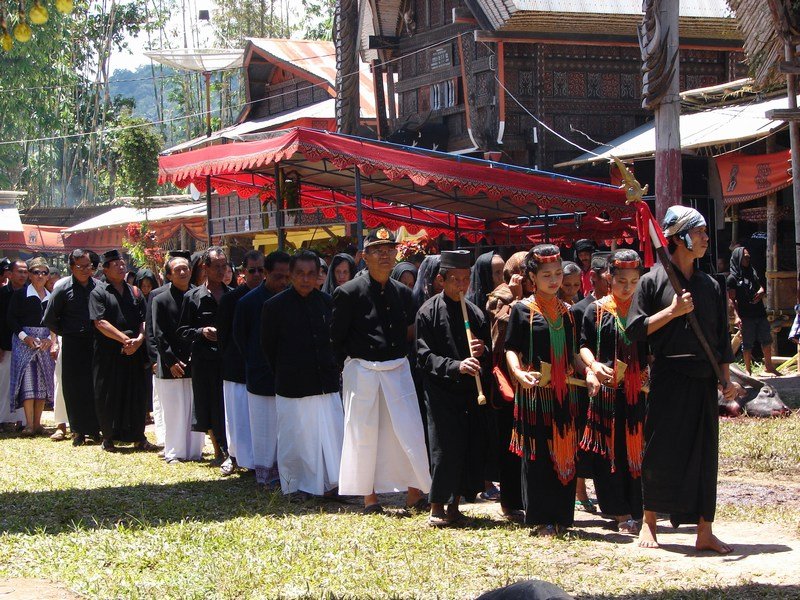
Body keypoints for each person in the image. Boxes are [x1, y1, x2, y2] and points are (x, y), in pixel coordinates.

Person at [626, 205, 736, 554]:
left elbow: (719, 339)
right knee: (660, 449)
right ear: (681, 238)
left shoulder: (710, 285)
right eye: (700, 232)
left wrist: (726, 378)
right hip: (669, 376)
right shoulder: (652, 281)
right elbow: (634, 330)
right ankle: (649, 521)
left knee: (705, 454)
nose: (706, 238)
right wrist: (672, 312)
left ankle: (705, 530)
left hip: (703, 378)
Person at [331, 227, 431, 513]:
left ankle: (414, 492)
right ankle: (369, 497)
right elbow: (336, 339)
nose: (385, 255)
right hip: (362, 369)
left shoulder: (403, 292)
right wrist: (347, 370)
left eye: (389, 249)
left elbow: (409, 331)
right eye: (377, 250)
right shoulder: (347, 292)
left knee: (409, 430)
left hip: (397, 368)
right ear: (364, 256)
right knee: (364, 433)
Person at [505, 245, 579, 536]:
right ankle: (540, 518)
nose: (554, 280)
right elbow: (511, 350)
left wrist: (591, 372)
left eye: (558, 274)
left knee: (565, 451)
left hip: (565, 393)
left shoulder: (569, 313)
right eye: (547, 274)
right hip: (535, 393)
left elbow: (573, 355)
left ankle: (562, 517)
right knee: (536, 456)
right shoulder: (522, 310)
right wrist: (519, 373)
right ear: (532, 278)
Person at [416, 250, 491, 526]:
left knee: (466, 446)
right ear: (441, 280)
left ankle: (456, 506)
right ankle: (436, 506)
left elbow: (488, 353)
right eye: (455, 280)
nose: (461, 286)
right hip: (440, 392)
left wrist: (483, 350)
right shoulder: (428, 312)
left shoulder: (474, 311)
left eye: (465, 279)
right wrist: (456, 366)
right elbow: (424, 357)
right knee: (444, 448)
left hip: (469, 392)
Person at [261, 250, 344, 497]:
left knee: (330, 435)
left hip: (324, 383)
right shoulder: (274, 307)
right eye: (300, 274)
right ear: (290, 275)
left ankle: (334, 483)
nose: (306, 279)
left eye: (311, 274)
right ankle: (295, 485)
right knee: (295, 439)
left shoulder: (328, 303)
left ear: (319, 275)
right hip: (292, 385)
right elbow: (268, 348)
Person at [578, 250, 646, 535]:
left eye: (633, 281)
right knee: (610, 453)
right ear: (608, 279)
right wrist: (593, 366)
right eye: (621, 281)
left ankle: (639, 511)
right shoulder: (596, 311)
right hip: (607, 392)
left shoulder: (644, 311)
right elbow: (583, 346)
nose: (627, 287)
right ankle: (619, 512)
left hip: (637, 392)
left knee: (637, 451)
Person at [233, 251, 290, 486]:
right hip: (260, 375)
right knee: (264, 429)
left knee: (288, 428)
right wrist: (257, 361)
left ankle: (289, 473)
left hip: (289, 376)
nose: (284, 282)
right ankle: (267, 475)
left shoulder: (293, 299)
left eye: (288, 276)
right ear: (266, 274)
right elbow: (240, 339)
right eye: (278, 276)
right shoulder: (248, 302)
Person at [89, 250, 154, 451]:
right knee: (109, 393)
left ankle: (138, 436)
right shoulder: (99, 292)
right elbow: (99, 322)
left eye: (122, 263)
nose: (120, 266)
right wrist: (125, 340)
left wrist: (139, 339)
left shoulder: (134, 291)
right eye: (115, 264)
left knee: (136, 393)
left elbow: (144, 319)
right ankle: (108, 437)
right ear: (105, 269)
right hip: (110, 352)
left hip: (135, 351)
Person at [485, 250, 529, 521]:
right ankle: (511, 501)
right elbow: (500, 335)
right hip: (508, 381)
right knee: (509, 443)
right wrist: (516, 299)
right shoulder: (498, 297)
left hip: (536, 379)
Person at [42, 249, 102, 445]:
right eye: (81, 267)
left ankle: (95, 429)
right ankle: (77, 431)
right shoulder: (62, 288)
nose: (86, 270)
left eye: (89, 266)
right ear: (71, 267)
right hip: (73, 342)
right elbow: (50, 319)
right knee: (74, 387)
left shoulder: (98, 287)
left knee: (94, 385)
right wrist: (67, 331)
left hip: (95, 342)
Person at [178, 246, 232, 463]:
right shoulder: (193, 297)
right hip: (204, 361)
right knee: (208, 404)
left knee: (227, 405)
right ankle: (218, 449)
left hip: (228, 361)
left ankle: (231, 448)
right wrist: (202, 332)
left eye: (224, 266)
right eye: (216, 266)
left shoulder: (232, 296)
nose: (221, 271)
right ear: (205, 268)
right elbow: (182, 331)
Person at [151, 254, 205, 463]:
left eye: (185, 268)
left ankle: (194, 451)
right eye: (177, 270)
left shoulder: (199, 295)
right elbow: (159, 333)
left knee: (194, 407)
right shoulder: (160, 299)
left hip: (195, 360)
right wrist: (170, 360)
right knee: (174, 410)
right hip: (170, 362)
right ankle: (174, 451)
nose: (182, 272)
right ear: (169, 275)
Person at [216, 250, 265, 476]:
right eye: (252, 270)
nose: (256, 274)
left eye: (261, 270)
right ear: (243, 272)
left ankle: (260, 460)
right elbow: (225, 337)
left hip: (263, 370)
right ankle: (235, 456)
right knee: (237, 418)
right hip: (236, 368)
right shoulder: (231, 299)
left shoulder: (272, 296)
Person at [569, 252, 611, 514]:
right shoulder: (579, 309)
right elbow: (575, 349)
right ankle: (580, 490)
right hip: (584, 382)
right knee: (582, 437)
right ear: (594, 278)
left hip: (610, 384)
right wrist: (588, 371)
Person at [8, 257, 57, 436]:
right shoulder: (21, 294)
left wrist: (50, 340)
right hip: (25, 342)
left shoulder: (52, 296)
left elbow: (55, 322)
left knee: (42, 383)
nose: (40, 276)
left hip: (44, 341)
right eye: (36, 272)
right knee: (28, 382)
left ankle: (38, 423)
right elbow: (11, 319)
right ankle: (29, 424)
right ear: (30, 274)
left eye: (44, 272)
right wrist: (25, 337)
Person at [727, 247, 777, 375]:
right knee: (747, 343)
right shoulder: (732, 278)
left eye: (749, 257)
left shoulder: (752, 272)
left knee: (766, 339)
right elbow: (732, 300)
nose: (747, 259)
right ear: (738, 258)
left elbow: (760, 285)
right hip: (745, 315)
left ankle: (769, 366)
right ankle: (748, 370)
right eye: (745, 257)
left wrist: (761, 291)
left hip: (759, 312)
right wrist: (737, 317)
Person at [0, 260, 29, 431]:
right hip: (5, 346)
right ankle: (2, 419)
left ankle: (23, 420)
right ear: (10, 274)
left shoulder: (31, 293)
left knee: (24, 384)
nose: (23, 275)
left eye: (25, 272)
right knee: (4, 383)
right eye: (19, 271)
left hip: (26, 346)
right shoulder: (2, 294)